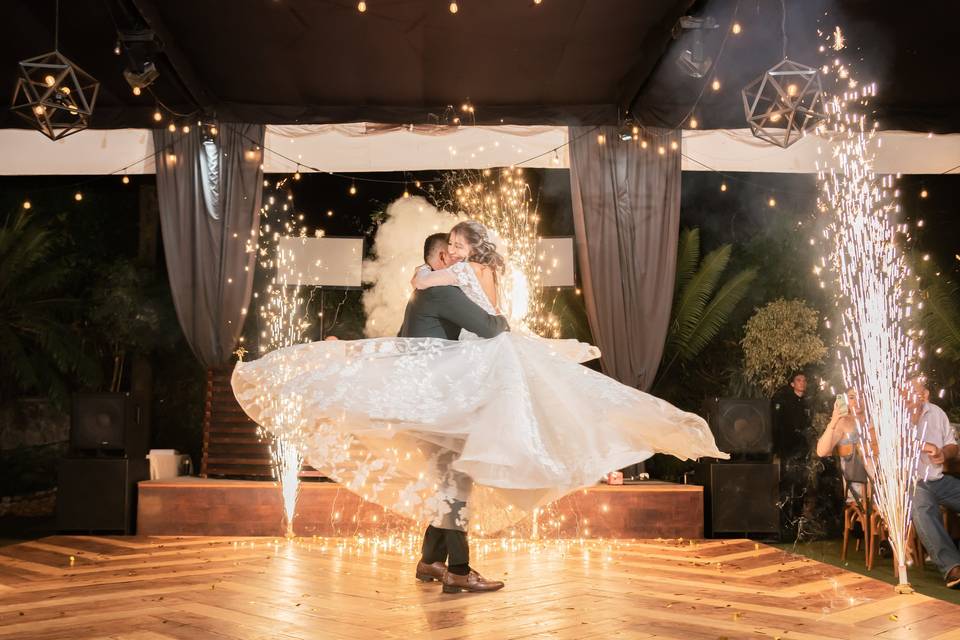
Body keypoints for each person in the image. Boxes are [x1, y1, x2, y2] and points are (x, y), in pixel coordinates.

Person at [232, 220, 727, 593]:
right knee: (455, 485)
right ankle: (461, 573)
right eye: (450, 253)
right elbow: (490, 329)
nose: (455, 260)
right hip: (438, 405)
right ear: (437, 260)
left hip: (430, 403)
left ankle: (430, 562)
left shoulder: (427, 290)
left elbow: (421, 339)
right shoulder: (442, 287)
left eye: (460, 250)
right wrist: (498, 320)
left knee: (451, 482)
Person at [907, 378, 960, 588]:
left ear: (924, 395)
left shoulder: (937, 413)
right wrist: (921, 444)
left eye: (911, 391)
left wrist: (942, 453)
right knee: (923, 507)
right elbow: (892, 444)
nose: (905, 395)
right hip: (912, 482)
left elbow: (952, 446)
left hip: (938, 479)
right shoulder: (895, 415)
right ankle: (953, 568)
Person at [816, 388, 869, 505]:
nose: (857, 401)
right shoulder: (843, 422)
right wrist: (834, 421)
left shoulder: (875, 420)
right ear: (845, 400)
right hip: (859, 487)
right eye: (852, 397)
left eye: (861, 396)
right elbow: (821, 451)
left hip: (883, 485)